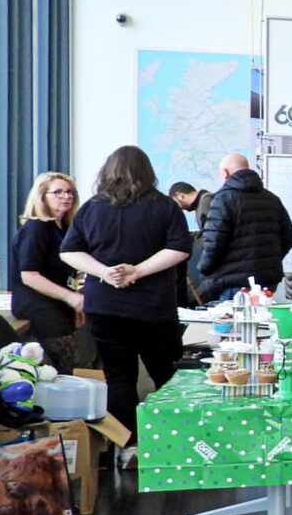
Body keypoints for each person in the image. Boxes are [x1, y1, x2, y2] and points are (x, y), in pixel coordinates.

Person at [59, 146, 193, 438]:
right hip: (154, 308)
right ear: (148, 172)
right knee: (167, 375)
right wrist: (138, 271)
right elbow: (180, 248)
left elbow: (69, 251)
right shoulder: (164, 206)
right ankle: (176, 440)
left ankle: (128, 445)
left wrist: (104, 272)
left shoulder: (92, 207)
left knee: (119, 377)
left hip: (105, 307)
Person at [11, 172, 87, 372]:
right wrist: (71, 298)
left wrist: (75, 301)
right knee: (58, 372)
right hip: (39, 309)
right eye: (58, 192)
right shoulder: (37, 228)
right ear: (42, 196)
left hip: (60, 308)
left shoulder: (65, 228)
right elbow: (29, 275)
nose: (66, 196)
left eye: (70, 192)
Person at [194, 153, 292, 302]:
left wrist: (203, 270)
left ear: (225, 173)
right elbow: (289, 237)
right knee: (262, 322)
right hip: (267, 280)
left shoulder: (223, 199)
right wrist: (270, 261)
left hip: (232, 282)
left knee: (232, 323)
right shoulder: (271, 199)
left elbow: (214, 243)